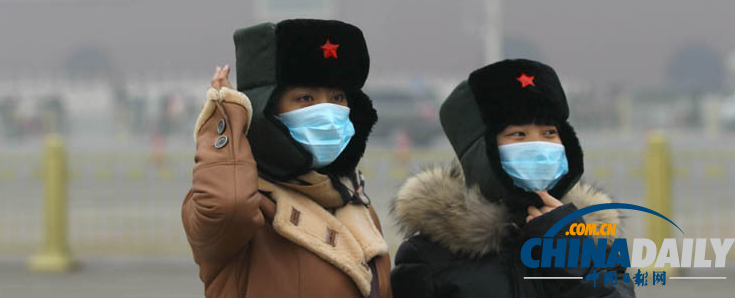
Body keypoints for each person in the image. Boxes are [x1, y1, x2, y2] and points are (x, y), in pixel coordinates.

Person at [182, 18, 391, 298]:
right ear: (265, 112)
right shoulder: (250, 208)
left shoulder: (354, 200)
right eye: (305, 98)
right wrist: (225, 120)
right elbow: (228, 206)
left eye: (338, 97)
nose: (327, 112)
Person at [390, 59, 635, 298]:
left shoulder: (597, 240)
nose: (538, 145)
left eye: (549, 133)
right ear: (481, 152)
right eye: (518, 134)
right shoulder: (430, 256)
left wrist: (571, 258)